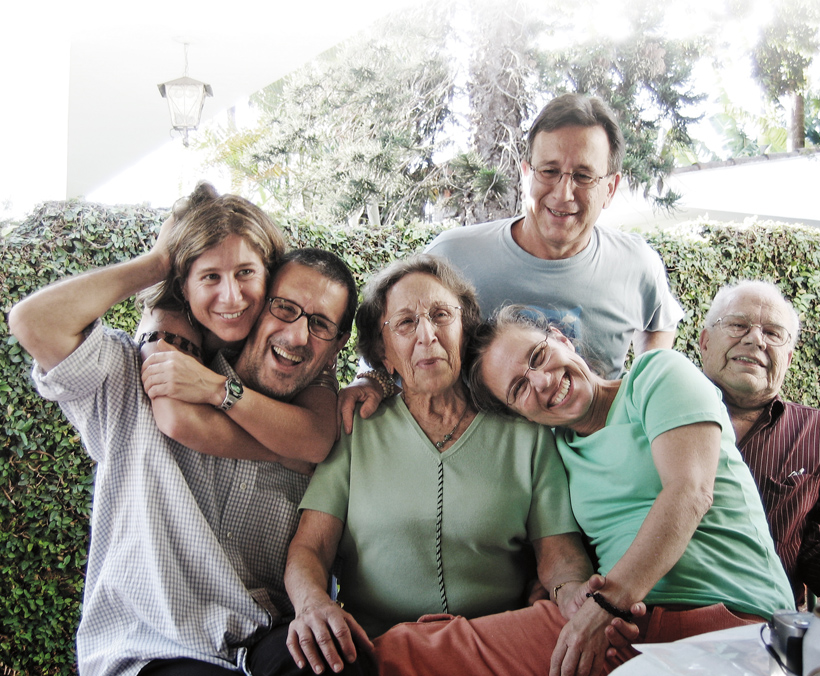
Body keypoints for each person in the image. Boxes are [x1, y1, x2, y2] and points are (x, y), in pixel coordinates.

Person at [276, 255, 640, 676]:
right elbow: (310, 548)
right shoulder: (355, 427)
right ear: (383, 351)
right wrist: (312, 603)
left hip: (493, 651)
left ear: (465, 328)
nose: (427, 336)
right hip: (375, 654)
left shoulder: (526, 433)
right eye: (406, 323)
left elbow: (559, 557)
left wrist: (571, 594)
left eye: (441, 315)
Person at [8, 247, 357, 676]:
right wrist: (161, 262)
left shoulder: (328, 428)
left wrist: (373, 380)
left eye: (319, 324)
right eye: (284, 308)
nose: (297, 336)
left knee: (341, 664)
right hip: (150, 648)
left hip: (263, 640)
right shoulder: (141, 373)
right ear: (254, 305)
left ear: (339, 343)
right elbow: (37, 323)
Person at [467, 305, 795, 674]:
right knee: (409, 651)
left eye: (539, 357)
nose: (541, 381)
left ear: (561, 339)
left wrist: (607, 603)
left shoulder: (657, 374)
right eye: (519, 388)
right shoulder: (554, 447)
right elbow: (558, 554)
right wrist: (571, 593)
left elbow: (690, 492)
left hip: (728, 615)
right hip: (617, 626)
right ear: (520, 416)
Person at [340, 93, 684, 430]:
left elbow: (660, 327)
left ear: (610, 188)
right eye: (549, 171)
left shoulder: (636, 263)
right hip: (489, 469)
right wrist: (373, 379)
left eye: (583, 176)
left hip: (592, 474)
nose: (564, 193)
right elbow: (393, 333)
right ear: (526, 174)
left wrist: (645, 393)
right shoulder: (454, 255)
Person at [698, 280, 820, 607]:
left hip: (764, 624)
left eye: (773, 333)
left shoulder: (819, 434)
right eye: (737, 325)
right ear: (705, 342)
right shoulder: (650, 413)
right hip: (653, 614)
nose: (755, 339)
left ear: (788, 359)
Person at [138, 182, 339, 463]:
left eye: (245, 272)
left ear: (270, 274)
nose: (232, 298)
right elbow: (177, 418)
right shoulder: (170, 317)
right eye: (210, 276)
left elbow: (315, 440)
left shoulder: (288, 335)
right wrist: (154, 264)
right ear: (183, 285)